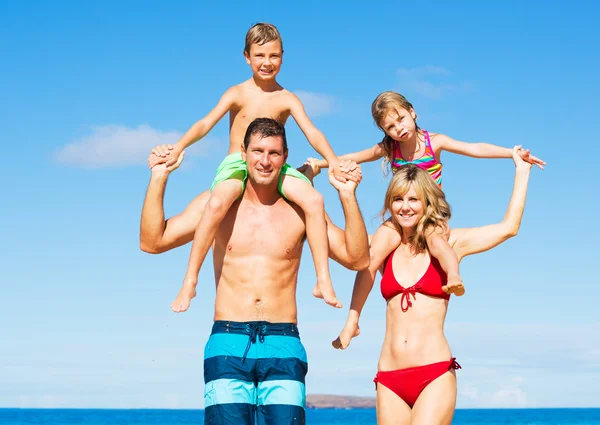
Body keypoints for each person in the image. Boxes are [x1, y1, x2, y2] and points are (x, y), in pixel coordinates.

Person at [140, 118, 369, 425]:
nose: (265, 161)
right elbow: (152, 242)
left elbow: (356, 259)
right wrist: (159, 177)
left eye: (274, 153)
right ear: (243, 153)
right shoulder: (217, 204)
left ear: (285, 157)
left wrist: (348, 196)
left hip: (283, 339)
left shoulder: (302, 209)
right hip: (228, 338)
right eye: (258, 151)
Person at [148, 23, 352, 311]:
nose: (267, 63)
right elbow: (206, 123)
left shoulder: (286, 98)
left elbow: (312, 132)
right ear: (247, 56)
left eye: (274, 56)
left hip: (273, 165)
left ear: (283, 56)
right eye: (260, 56)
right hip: (237, 164)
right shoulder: (237, 93)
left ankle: (322, 280)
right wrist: (178, 147)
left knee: (314, 200)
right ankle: (190, 280)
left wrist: (333, 162)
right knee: (217, 202)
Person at [332, 146, 533, 425]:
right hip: (389, 376)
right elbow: (349, 254)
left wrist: (521, 171)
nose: (405, 207)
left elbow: (508, 227)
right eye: (398, 199)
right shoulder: (385, 244)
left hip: (434, 373)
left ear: (427, 202)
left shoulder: (450, 242)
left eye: (414, 199)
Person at [314, 90, 545, 297]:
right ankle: (353, 320)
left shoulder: (434, 142)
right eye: (391, 128)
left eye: (401, 119)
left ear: (412, 112)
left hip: (430, 214)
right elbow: (356, 156)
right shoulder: (390, 148)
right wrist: (323, 163)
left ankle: (454, 276)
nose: (399, 129)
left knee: (437, 242)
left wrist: (510, 153)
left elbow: (474, 148)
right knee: (371, 257)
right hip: (402, 215)